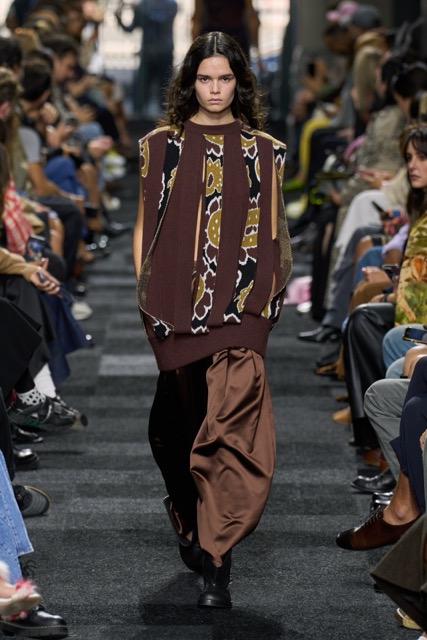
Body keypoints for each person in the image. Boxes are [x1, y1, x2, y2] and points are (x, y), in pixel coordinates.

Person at [132, 31, 292, 609]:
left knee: (225, 434)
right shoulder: (160, 147)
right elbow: (146, 225)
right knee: (172, 430)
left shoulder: (267, 151)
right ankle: (187, 514)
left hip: (242, 308)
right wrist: (147, 299)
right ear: (190, 83)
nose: (216, 89)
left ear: (240, 83)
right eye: (205, 78)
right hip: (174, 308)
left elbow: (274, 231)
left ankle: (218, 564)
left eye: (225, 78)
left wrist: (265, 303)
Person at [115, 0, 178, 118]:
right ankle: (140, 113)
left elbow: (159, 20)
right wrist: (119, 18)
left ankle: (165, 114)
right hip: (149, 54)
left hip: (164, 53)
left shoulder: (171, 5)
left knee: (165, 86)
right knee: (142, 87)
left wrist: (140, 11)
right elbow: (130, 29)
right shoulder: (143, 5)